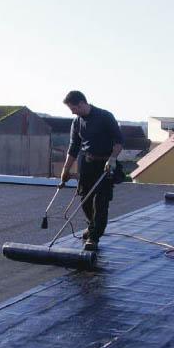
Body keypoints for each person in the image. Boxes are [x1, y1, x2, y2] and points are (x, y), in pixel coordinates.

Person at [60, 91, 124, 251]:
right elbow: (73, 147)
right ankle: (92, 225)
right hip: (86, 164)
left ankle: (94, 237)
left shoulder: (105, 117)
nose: (72, 112)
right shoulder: (76, 122)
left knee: (100, 202)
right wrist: (66, 169)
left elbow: (118, 141)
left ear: (81, 103)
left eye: (73, 108)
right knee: (85, 199)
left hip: (105, 164)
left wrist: (112, 158)